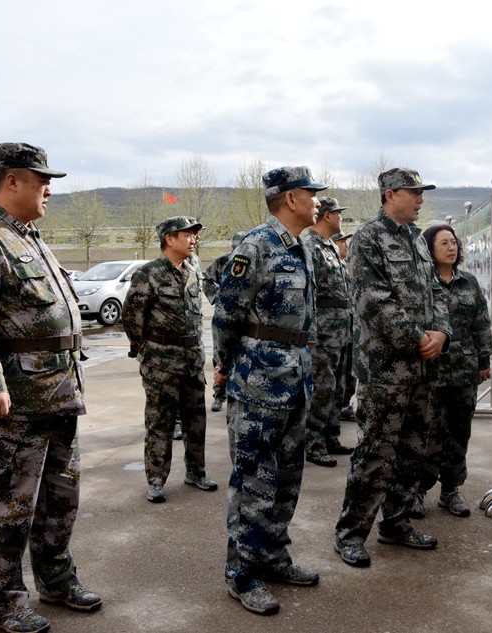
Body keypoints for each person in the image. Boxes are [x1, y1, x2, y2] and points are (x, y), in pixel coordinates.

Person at [0, 143, 101, 633]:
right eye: (41, 180)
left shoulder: (28, 238)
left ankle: (56, 579)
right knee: (7, 506)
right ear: (11, 180)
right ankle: (4, 602)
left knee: (60, 499)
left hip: (59, 395)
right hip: (14, 403)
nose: (48, 189)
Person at [213, 166, 326, 615]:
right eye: (311, 193)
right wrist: (228, 368)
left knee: (286, 480)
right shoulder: (256, 246)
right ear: (291, 198)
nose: (317, 201)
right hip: (258, 385)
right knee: (253, 483)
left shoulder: (302, 247)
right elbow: (227, 315)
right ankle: (242, 574)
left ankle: (274, 558)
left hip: (295, 382)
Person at [334, 167, 451, 568]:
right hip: (385, 370)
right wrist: (419, 337)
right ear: (389, 194)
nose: (420, 199)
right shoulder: (368, 238)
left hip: (421, 368)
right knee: (375, 454)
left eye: (421, 192)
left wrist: (442, 332)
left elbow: (436, 290)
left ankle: (396, 523)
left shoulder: (416, 239)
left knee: (411, 450)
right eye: (413, 192)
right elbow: (373, 301)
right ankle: (350, 533)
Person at [122, 216, 218, 504]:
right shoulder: (148, 274)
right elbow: (132, 318)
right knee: (160, 422)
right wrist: (145, 350)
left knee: (196, 420)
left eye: (195, 235)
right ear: (169, 239)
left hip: (192, 359)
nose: (194, 239)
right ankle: (156, 480)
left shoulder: (193, 267)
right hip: (161, 363)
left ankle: (196, 472)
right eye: (187, 235)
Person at [414, 224, 492, 519]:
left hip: (464, 368)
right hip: (431, 368)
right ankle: (418, 490)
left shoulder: (468, 282)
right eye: (444, 243)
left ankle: (451, 490)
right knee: (427, 432)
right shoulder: (422, 281)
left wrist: (484, 360)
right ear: (429, 249)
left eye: (454, 242)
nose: (451, 247)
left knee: (459, 431)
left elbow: (481, 322)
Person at [304, 197, 354, 467]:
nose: (340, 218)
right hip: (323, 332)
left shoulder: (331, 247)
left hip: (340, 331)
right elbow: (308, 294)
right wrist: (311, 334)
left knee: (338, 387)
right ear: (326, 216)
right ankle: (313, 444)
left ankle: (331, 437)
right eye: (338, 213)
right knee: (322, 389)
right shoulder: (311, 247)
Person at [203, 230, 248, 413]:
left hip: (245, 318)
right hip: (223, 317)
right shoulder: (222, 262)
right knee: (220, 355)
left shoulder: (252, 262)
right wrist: (217, 297)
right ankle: (219, 394)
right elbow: (206, 279)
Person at [334, 231, 357, 422]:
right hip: (334, 331)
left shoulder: (345, 267)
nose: (346, 246)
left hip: (349, 328)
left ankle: (345, 404)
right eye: (342, 242)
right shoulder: (331, 266)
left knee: (350, 372)